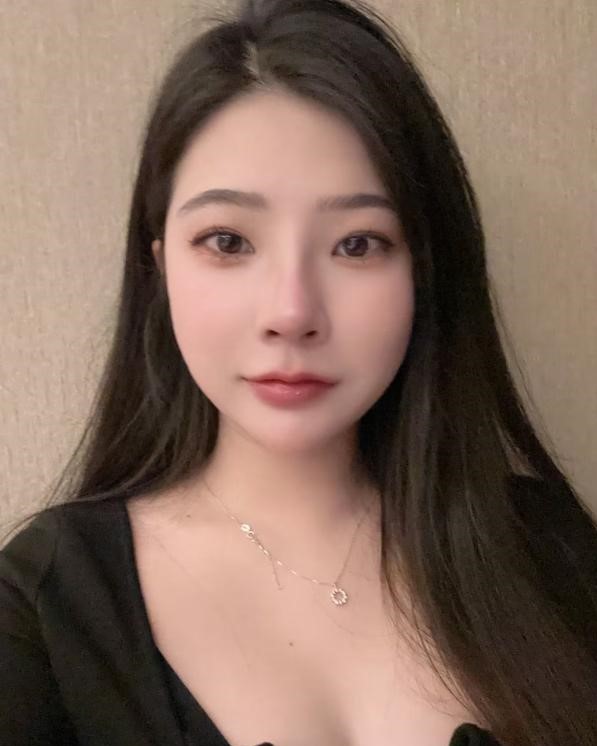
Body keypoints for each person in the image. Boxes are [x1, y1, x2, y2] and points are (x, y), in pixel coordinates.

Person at [1, 0, 596, 744]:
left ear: (424, 271)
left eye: (357, 244)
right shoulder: (48, 606)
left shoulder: (551, 552)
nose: (291, 312)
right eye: (228, 241)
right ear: (160, 269)